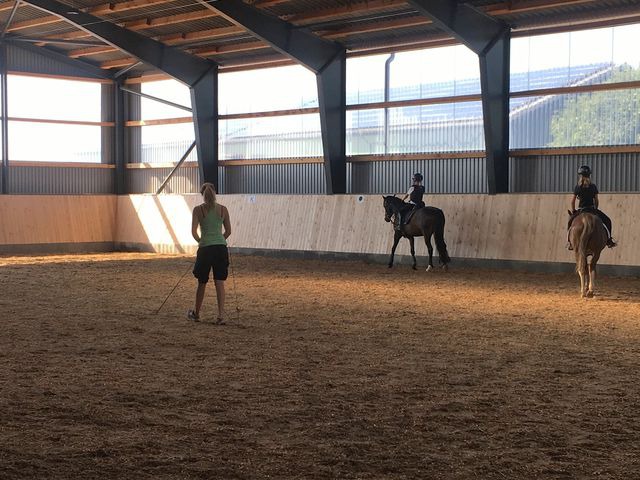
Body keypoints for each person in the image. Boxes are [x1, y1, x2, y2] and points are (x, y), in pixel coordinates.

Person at [188, 182, 232, 324]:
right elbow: (229, 231)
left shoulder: (197, 210)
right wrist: (219, 240)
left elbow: (194, 232)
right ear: (214, 193)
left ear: (203, 194)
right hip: (220, 248)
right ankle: (220, 316)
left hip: (205, 248)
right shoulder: (223, 209)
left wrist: (202, 241)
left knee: (202, 282)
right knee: (219, 282)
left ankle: (196, 313)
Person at [567, 165, 616, 250]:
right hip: (592, 209)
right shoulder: (593, 187)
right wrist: (596, 209)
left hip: (581, 210)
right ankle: (609, 240)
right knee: (608, 220)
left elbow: (573, 201)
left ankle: (570, 242)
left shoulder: (578, 187)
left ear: (580, 176)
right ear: (589, 175)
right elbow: (596, 200)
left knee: (570, 223)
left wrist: (573, 210)